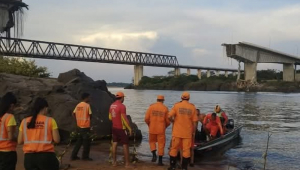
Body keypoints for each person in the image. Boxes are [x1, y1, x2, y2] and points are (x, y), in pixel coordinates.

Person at [18, 97, 60, 170]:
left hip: (29, 158)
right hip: (46, 156)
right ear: (45, 108)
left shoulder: (24, 121)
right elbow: (57, 140)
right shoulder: (50, 121)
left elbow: (19, 141)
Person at [168, 92, 198, 170]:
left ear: (181, 98)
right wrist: (193, 132)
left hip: (177, 132)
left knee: (174, 149)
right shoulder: (192, 107)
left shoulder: (176, 105)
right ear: (189, 98)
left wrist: (172, 121)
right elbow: (195, 122)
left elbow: (169, 116)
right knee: (186, 151)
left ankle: (172, 166)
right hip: (187, 133)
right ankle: (184, 168)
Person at [109, 91, 132, 168]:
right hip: (121, 128)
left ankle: (114, 162)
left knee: (114, 144)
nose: (123, 99)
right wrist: (129, 129)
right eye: (123, 98)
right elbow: (124, 119)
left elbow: (110, 117)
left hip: (114, 127)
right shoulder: (122, 106)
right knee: (125, 145)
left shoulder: (112, 105)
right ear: (122, 98)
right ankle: (127, 164)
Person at [145, 95, 170, 166]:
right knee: (161, 144)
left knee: (152, 142)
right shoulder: (165, 108)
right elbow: (168, 121)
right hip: (161, 130)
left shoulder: (151, 107)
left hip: (152, 128)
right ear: (163, 100)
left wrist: (149, 125)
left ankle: (154, 154)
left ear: (157, 100)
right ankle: (160, 161)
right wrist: (165, 127)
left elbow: (146, 119)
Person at [71, 93, 93, 161]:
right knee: (86, 142)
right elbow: (90, 114)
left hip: (79, 126)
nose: (89, 99)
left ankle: (73, 155)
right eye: (88, 97)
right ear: (86, 98)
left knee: (79, 141)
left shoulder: (78, 105)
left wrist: (77, 121)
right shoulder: (87, 105)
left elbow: (73, 114)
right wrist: (88, 120)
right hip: (85, 126)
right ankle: (85, 157)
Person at [0, 92, 17, 170]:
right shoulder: (9, 117)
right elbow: (10, 137)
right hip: (8, 151)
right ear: (11, 105)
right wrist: (18, 138)